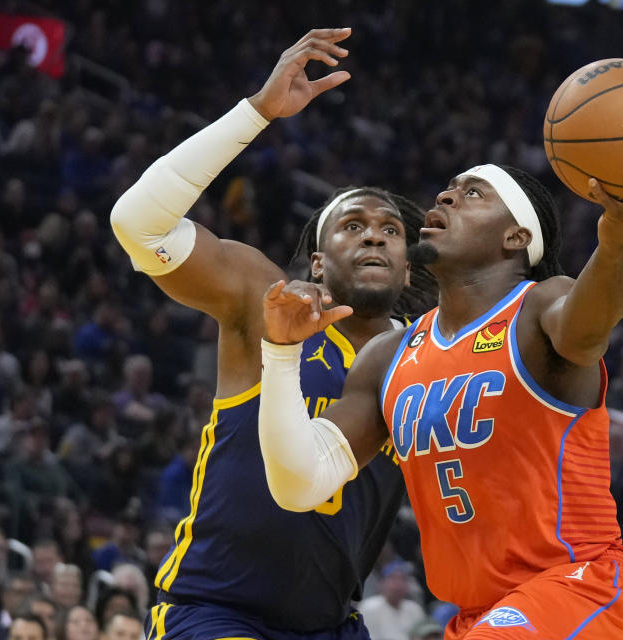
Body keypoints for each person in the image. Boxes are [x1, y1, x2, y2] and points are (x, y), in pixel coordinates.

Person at [256, 63, 623, 638]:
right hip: (476, 616)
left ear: (516, 238)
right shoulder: (390, 356)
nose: (445, 196)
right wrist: (281, 356)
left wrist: (617, 242)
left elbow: (589, 331)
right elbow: (299, 483)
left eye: (472, 193)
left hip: (578, 586)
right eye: (449, 189)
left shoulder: (540, 307)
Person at [110, 27, 434, 640]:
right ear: (317, 260)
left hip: (332, 624)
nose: (373, 235)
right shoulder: (268, 300)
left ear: (408, 264)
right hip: (215, 611)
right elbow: (138, 224)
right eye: (353, 225)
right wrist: (257, 111)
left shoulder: (428, 354)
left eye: (390, 230)